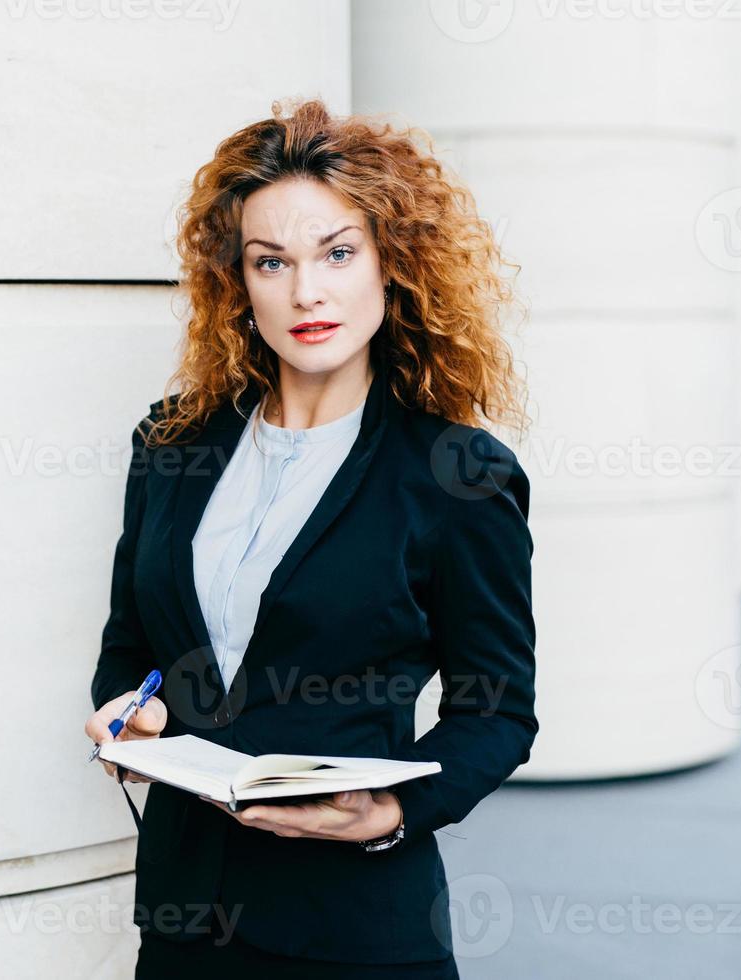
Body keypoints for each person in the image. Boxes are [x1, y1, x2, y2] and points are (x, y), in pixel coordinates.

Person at [84, 96, 538, 979]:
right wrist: (126, 713)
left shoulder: (456, 474)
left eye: (337, 252)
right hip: (186, 921)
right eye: (270, 261)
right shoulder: (171, 445)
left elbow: (498, 711)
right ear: (238, 281)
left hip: (354, 927)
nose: (305, 291)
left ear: (391, 265)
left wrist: (393, 813)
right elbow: (130, 647)